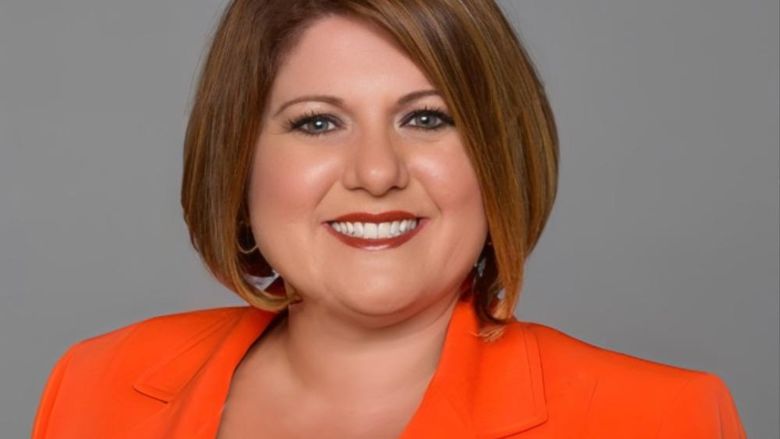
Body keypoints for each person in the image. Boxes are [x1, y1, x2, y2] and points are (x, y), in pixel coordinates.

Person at [32, 1, 747, 438]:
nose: (376, 173)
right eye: (316, 122)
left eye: (428, 118)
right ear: (240, 161)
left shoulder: (663, 419)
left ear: (496, 157)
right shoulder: (93, 385)